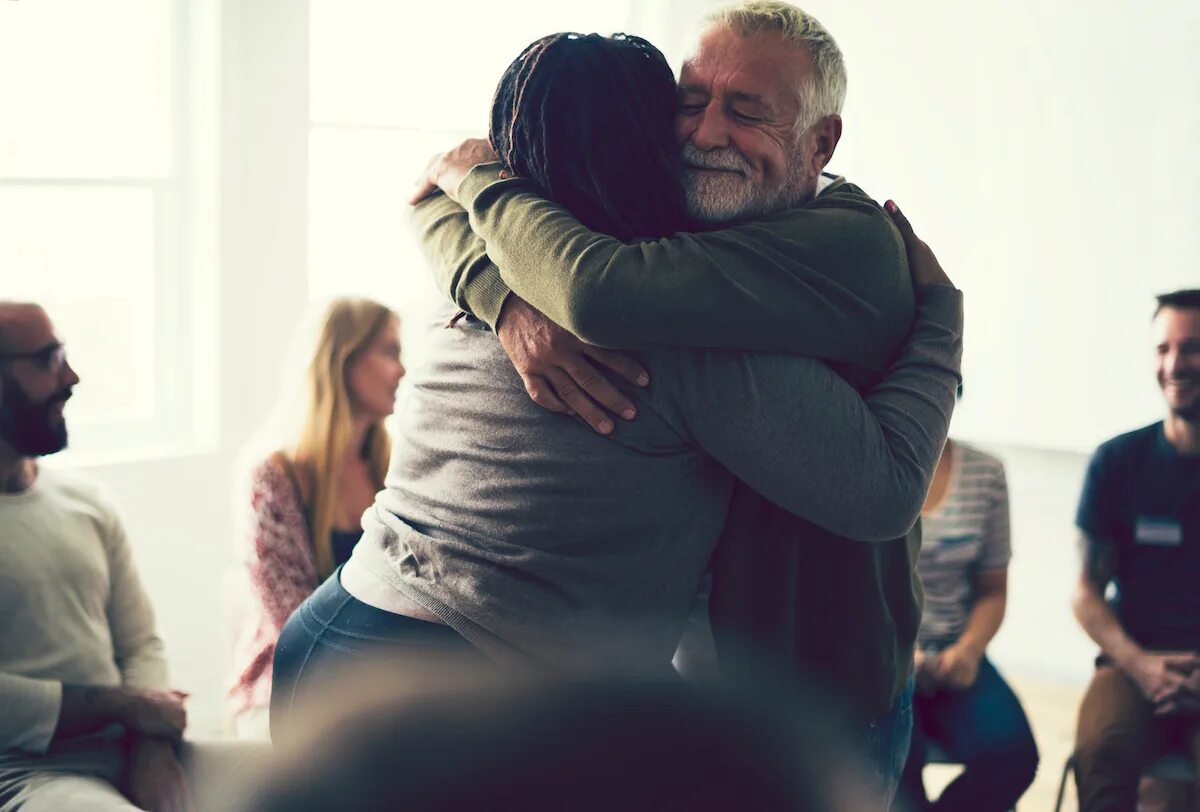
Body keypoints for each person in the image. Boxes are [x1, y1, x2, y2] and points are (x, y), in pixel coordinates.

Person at [270, 26, 962, 754]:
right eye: (687, 103)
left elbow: (579, 278)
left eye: (747, 109)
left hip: (339, 628)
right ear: (651, 139)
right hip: (450, 691)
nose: (704, 132)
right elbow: (883, 488)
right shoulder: (659, 329)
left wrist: (472, 204)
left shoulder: (516, 264)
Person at [0, 302, 189, 812]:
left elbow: (140, 643)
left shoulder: (88, 503)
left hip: (132, 751)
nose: (72, 377)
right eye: (48, 359)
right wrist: (124, 708)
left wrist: (151, 747)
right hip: (29, 774)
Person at [227, 298, 404, 738]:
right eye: (389, 352)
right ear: (342, 359)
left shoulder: (395, 468)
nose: (402, 371)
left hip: (381, 677)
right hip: (288, 681)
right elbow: (291, 621)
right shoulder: (273, 477)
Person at [1072, 288, 1200, 811]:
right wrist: (1142, 666)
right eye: (1163, 349)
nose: (1174, 364)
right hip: (1131, 661)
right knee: (1100, 751)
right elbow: (1086, 592)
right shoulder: (1117, 462)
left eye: (1191, 348)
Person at [898, 438, 1038, 811]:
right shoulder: (869, 466)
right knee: (894, 764)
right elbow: (846, 588)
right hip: (884, 655)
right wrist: (902, 655)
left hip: (957, 652)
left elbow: (992, 591)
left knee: (1015, 757)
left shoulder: (986, 473)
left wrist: (969, 650)